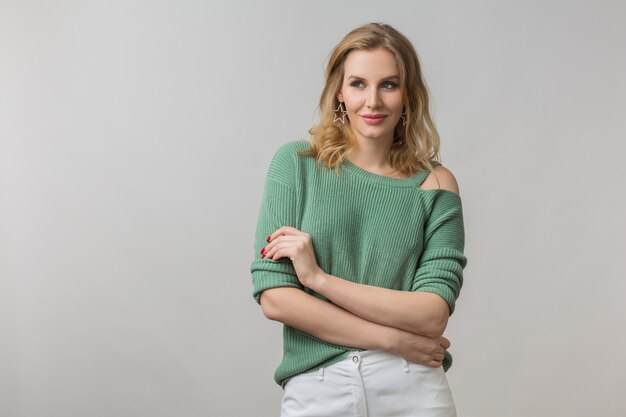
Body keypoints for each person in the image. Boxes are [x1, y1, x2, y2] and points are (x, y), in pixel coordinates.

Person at [250, 22, 467, 417]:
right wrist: (392, 339)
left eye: (388, 84)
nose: (373, 102)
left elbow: (432, 313)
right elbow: (276, 298)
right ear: (339, 91)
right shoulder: (296, 165)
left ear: (409, 95)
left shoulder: (436, 184)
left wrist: (318, 280)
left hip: (412, 383)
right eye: (358, 84)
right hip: (319, 383)